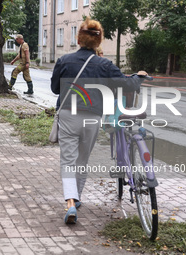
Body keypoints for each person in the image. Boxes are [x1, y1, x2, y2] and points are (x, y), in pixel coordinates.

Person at [50, 17, 148, 224]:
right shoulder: (104, 65)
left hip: (68, 115)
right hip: (93, 117)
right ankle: (77, 199)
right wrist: (138, 76)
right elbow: (127, 85)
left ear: (79, 39)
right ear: (99, 40)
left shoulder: (64, 61)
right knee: (82, 160)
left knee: (68, 161)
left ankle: (70, 203)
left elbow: (55, 89)